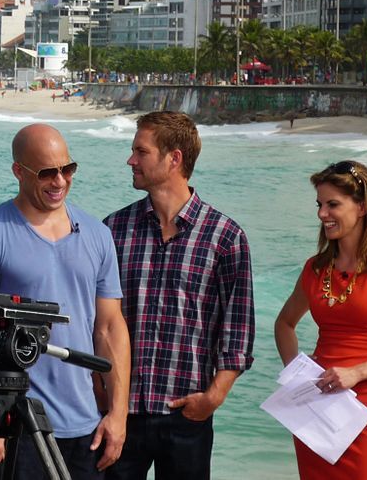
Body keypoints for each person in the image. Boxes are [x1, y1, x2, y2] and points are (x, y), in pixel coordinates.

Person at [0, 124, 131, 478]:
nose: (60, 181)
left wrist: (118, 414)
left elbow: (110, 327)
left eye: (68, 169)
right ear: (18, 171)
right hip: (15, 427)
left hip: (86, 427)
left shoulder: (98, 235)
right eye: (47, 172)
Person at [103, 111, 255, 480]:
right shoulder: (112, 230)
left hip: (187, 414)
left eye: (141, 152)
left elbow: (237, 328)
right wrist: (102, 398)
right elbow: (98, 321)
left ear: (174, 159)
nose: (131, 160)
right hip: (121, 414)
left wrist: (214, 397)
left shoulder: (225, 237)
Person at [274, 160, 367, 479]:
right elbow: (284, 324)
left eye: (332, 204)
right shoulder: (316, 268)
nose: (322, 214)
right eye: (319, 204)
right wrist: (297, 375)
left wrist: (357, 372)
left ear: (362, 207)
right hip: (316, 413)